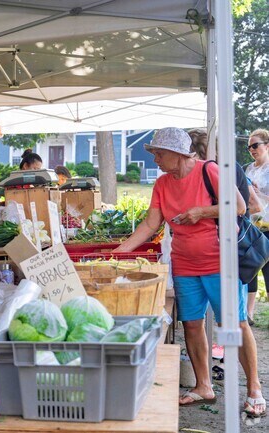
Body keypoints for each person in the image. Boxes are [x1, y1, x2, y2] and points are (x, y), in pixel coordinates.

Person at [113, 127, 265, 416]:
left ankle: (254, 388)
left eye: (159, 153)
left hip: (221, 263)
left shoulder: (210, 171)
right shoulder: (161, 184)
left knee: (236, 324)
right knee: (192, 325)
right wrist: (120, 252)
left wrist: (200, 212)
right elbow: (149, 225)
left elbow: (241, 207)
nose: (155, 159)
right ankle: (203, 385)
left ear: (178, 153)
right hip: (185, 265)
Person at [188, 129, 263, 323]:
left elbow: (241, 207)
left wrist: (200, 212)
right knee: (230, 317)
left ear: (199, 151)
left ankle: (232, 350)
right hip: (223, 245)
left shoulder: (221, 169)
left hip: (231, 244)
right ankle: (227, 348)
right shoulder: (230, 167)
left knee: (235, 319)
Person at [245, 129, 269, 322]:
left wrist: (257, 194)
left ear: (267, 145)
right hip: (252, 227)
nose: (251, 150)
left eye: (255, 145)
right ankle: (249, 313)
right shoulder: (248, 169)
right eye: (249, 147)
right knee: (250, 269)